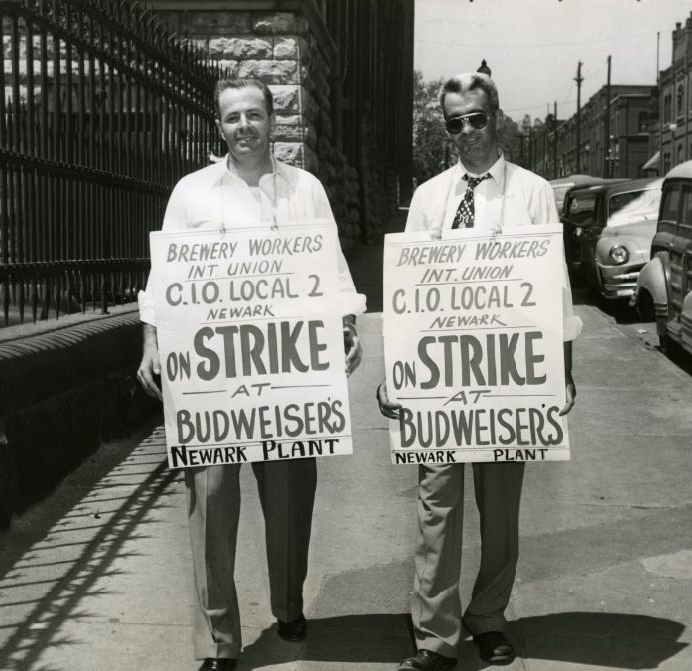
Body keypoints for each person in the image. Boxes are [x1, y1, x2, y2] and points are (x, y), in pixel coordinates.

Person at [136, 77, 366, 671]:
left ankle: (288, 605)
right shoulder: (190, 193)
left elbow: (333, 273)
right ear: (219, 125)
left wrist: (346, 327)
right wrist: (152, 343)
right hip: (213, 380)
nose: (245, 127)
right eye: (233, 117)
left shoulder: (306, 190)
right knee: (210, 502)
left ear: (273, 121)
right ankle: (219, 642)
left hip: (286, 374)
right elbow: (162, 285)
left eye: (254, 115)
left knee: (290, 497)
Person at [377, 72, 583, 671]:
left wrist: (561, 371)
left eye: (476, 118)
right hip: (438, 379)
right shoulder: (428, 198)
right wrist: (396, 372)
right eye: (454, 122)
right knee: (436, 506)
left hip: (508, 378)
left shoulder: (534, 192)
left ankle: (488, 617)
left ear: (497, 118)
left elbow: (555, 289)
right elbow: (403, 296)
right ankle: (435, 637)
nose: (466, 132)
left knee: (500, 508)